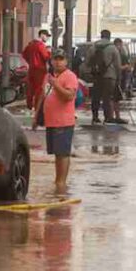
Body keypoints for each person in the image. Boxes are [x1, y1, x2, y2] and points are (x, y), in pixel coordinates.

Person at [43, 49, 79, 195]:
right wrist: (36, 115)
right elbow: (43, 95)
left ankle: (61, 182)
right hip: (51, 121)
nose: (58, 62)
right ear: (51, 61)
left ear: (66, 61)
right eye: (55, 59)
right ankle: (58, 181)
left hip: (63, 122)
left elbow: (69, 96)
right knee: (56, 153)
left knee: (63, 153)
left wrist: (56, 84)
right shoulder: (49, 76)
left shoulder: (69, 76)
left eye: (61, 59)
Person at [81, 29, 125, 125]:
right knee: (107, 98)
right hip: (110, 76)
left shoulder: (93, 47)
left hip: (97, 76)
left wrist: (88, 73)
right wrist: (119, 77)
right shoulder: (113, 48)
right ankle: (107, 117)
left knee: (95, 97)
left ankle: (95, 117)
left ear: (101, 36)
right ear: (109, 36)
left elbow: (87, 62)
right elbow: (118, 65)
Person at [22, 29, 52, 127]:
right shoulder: (40, 45)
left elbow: (24, 54)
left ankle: (29, 106)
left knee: (31, 89)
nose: (47, 38)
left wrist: (30, 61)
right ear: (42, 35)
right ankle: (37, 108)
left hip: (31, 69)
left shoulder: (30, 44)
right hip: (40, 70)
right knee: (39, 90)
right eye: (46, 36)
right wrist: (50, 53)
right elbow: (46, 57)